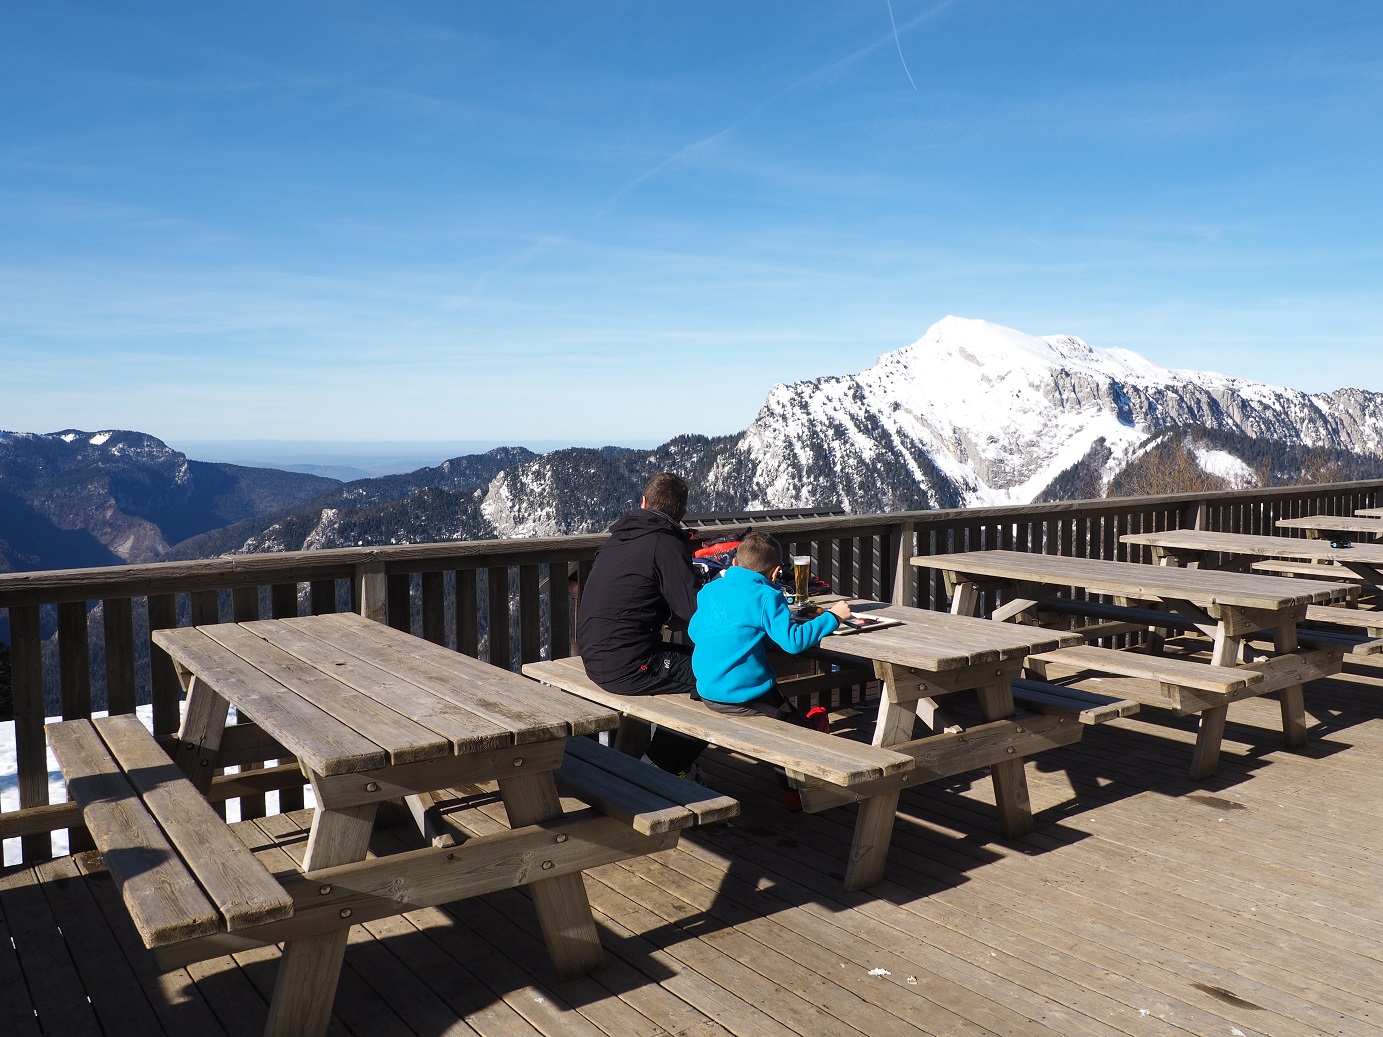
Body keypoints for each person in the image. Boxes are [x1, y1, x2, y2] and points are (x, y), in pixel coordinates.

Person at [576, 472, 706, 774]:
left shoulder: (619, 538)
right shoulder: (666, 545)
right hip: (626, 665)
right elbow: (694, 613)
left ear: (643, 503)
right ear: (682, 514)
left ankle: (674, 764)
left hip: (596, 657)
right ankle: (658, 770)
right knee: (723, 677)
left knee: (706, 670)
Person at [689, 532, 851, 727]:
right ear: (775, 573)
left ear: (734, 562)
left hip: (706, 691)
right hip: (743, 696)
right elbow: (793, 642)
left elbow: (694, 632)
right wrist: (833, 617)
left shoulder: (709, 590)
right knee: (804, 729)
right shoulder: (766, 597)